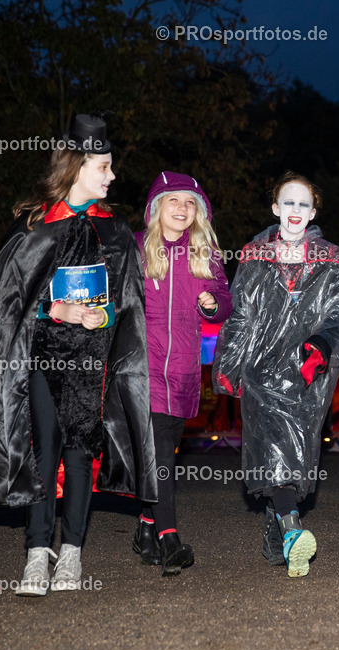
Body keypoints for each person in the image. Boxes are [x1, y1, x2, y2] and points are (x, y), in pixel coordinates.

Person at [0, 114, 156, 596]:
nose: (112, 176)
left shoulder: (115, 231)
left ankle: (71, 552)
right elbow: (5, 303)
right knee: (42, 449)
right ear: (77, 166)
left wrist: (105, 316)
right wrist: (57, 309)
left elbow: (129, 304)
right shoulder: (35, 225)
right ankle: (37, 552)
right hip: (42, 359)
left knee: (80, 454)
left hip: (92, 364)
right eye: (103, 166)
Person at [212, 172, 339, 578]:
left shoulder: (333, 261)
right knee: (272, 448)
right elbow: (240, 313)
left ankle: (276, 522)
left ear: (314, 212)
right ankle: (293, 529)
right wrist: (227, 363)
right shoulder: (253, 256)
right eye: (288, 203)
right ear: (275, 208)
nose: (295, 211)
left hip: (305, 373)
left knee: (290, 454)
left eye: (303, 204)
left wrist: (321, 346)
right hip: (261, 370)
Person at [131, 171, 231, 575]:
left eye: (190, 203)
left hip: (186, 366)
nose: (182, 208)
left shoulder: (205, 251)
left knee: (165, 450)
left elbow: (226, 299)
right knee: (160, 456)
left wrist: (212, 304)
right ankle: (169, 537)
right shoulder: (137, 246)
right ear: (157, 207)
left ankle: (145, 525)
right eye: (174, 201)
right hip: (144, 364)